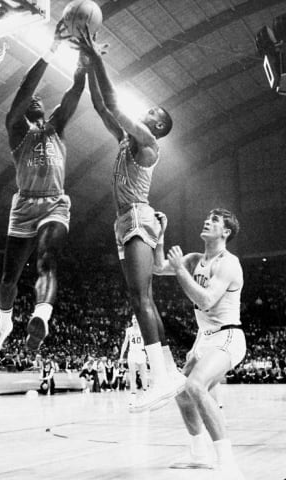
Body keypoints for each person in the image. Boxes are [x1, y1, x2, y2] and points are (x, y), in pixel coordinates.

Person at [76, 32, 182, 413]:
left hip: (139, 216)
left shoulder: (149, 144)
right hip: (124, 221)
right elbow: (100, 104)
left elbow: (116, 106)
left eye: (154, 111)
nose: (148, 111)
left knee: (141, 299)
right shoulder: (127, 140)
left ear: (159, 126)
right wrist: (88, 67)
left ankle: (159, 377)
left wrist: (96, 58)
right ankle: (168, 370)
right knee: (141, 299)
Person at [0, 22, 86, 361]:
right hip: (24, 206)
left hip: (55, 203)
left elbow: (74, 92)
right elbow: (25, 91)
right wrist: (51, 50)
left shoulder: (56, 127)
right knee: (8, 278)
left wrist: (83, 62)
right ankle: (5, 323)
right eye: (32, 100)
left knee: (47, 259)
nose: (38, 100)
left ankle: (41, 316)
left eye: (40, 99)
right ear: (26, 109)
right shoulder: (16, 129)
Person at [153, 209, 247, 480]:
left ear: (226, 232)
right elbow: (158, 267)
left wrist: (180, 271)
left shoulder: (229, 263)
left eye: (215, 220)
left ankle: (229, 467)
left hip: (228, 336)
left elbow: (206, 301)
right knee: (181, 394)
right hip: (204, 337)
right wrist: (160, 236)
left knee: (195, 386)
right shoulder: (195, 258)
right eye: (207, 217)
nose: (207, 220)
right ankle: (198, 452)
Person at [119, 314, 148, 395]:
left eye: (137, 318)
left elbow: (147, 343)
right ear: (132, 320)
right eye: (134, 318)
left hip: (141, 352)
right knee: (132, 374)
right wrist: (121, 356)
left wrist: (148, 355)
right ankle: (133, 394)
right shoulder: (128, 330)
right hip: (132, 353)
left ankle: (145, 391)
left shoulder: (143, 329)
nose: (135, 320)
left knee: (143, 374)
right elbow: (125, 343)